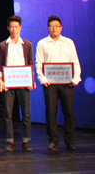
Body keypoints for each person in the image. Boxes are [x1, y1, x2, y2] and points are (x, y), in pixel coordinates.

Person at [35, 15, 81, 151]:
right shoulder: (42, 43)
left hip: (67, 83)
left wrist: (76, 78)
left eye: (56, 26)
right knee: (51, 112)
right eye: (51, 26)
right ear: (48, 28)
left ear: (61, 28)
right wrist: (42, 79)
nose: (54, 28)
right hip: (50, 84)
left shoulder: (68, 42)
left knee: (69, 112)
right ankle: (53, 141)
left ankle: (70, 141)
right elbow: (39, 62)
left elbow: (75, 61)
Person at [0, 15, 34, 152]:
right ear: (8, 28)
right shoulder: (2, 45)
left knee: (26, 113)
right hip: (8, 83)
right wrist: (0, 80)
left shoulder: (27, 45)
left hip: (23, 82)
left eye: (16, 27)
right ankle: (9, 141)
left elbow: (30, 62)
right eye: (11, 27)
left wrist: (31, 80)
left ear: (20, 28)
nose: (13, 29)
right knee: (8, 113)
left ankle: (26, 140)